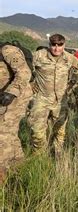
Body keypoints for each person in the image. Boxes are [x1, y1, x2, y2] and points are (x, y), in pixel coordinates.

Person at [28, 34, 78, 156]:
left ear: (64, 45)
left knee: (59, 131)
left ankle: (57, 155)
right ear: (49, 44)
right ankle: (39, 157)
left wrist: (71, 83)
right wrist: (30, 83)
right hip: (41, 100)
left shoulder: (69, 58)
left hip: (60, 102)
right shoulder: (39, 55)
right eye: (53, 45)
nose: (56, 48)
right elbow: (25, 69)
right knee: (37, 132)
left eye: (60, 45)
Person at [0, 43, 33, 183]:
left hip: (17, 96)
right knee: (11, 134)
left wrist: (11, 92)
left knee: (3, 134)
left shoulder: (7, 50)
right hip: (3, 97)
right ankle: (18, 166)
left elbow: (25, 72)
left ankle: (3, 174)